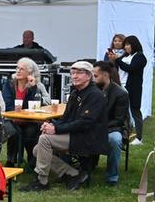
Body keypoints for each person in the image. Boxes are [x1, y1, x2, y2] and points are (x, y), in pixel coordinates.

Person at [21, 61, 107, 192]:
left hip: (89, 138)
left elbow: (85, 123)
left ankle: (41, 181)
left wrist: (56, 129)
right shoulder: (75, 94)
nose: (74, 76)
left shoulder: (95, 95)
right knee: (37, 149)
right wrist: (51, 125)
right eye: (72, 73)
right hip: (76, 135)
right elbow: (66, 119)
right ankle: (73, 174)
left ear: (89, 76)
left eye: (79, 73)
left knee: (44, 140)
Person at [1, 57, 51, 168]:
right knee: (13, 132)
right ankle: (11, 161)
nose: (18, 71)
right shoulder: (9, 85)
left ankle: (32, 161)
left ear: (30, 72)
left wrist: (33, 88)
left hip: (29, 119)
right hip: (11, 118)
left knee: (31, 131)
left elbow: (33, 105)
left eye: (22, 69)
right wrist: (17, 116)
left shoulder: (36, 86)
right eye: (17, 68)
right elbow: (8, 104)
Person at [93, 61, 129, 186]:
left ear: (105, 75)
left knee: (115, 140)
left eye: (95, 76)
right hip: (92, 126)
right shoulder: (92, 89)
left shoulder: (121, 94)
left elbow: (119, 120)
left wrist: (99, 126)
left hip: (112, 128)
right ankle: (79, 170)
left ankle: (112, 177)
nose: (93, 78)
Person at [108, 35, 146, 145]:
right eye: (125, 45)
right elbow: (115, 68)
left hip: (132, 88)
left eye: (128, 44)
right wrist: (112, 59)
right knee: (120, 111)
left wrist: (118, 60)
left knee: (135, 111)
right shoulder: (125, 56)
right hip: (120, 86)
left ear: (134, 45)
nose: (126, 47)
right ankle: (123, 134)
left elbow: (131, 69)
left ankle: (139, 138)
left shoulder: (140, 56)